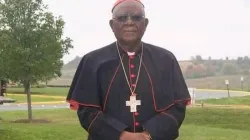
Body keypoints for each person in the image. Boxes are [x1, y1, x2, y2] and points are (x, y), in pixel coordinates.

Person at [66, 0, 191, 139]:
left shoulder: (166, 59)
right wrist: (120, 135)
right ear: (112, 25)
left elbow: (177, 107)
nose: (129, 22)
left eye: (137, 17)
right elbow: (86, 111)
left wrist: (148, 134)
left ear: (146, 23)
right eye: (122, 18)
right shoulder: (92, 61)